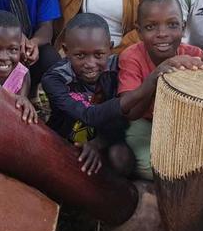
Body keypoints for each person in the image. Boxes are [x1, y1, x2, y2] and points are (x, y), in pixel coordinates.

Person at [118, 0, 203, 179]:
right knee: (153, 169)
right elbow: (131, 112)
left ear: (183, 28)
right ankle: (146, 190)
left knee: (198, 166)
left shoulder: (194, 55)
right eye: (151, 27)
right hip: (144, 123)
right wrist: (156, 75)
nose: (162, 34)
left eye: (172, 25)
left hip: (180, 125)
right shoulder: (131, 57)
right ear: (139, 31)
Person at [42, 13, 135, 177]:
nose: (90, 64)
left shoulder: (120, 68)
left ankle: (122, 194)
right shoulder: (55, 78)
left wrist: (98, 142)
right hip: (67, 135)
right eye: (80, 56)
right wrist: (86, 140)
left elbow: (123, 119)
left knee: (121, 158)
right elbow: (85, 115)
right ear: (66, 51)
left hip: (107, 136)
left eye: (99, 55)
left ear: (110, 48)